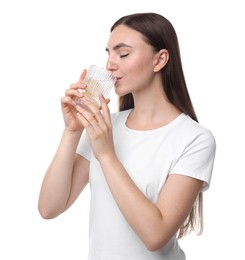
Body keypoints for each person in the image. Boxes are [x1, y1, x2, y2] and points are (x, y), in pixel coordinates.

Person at [38, 12, 216, 260]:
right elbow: (49, 208)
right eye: (108, 53)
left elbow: (155, 236)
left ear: (159, 60)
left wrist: (107, 155)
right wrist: (72, 131)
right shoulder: (106, 125)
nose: (110, 64)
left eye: (123, 54)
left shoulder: (195, 139)